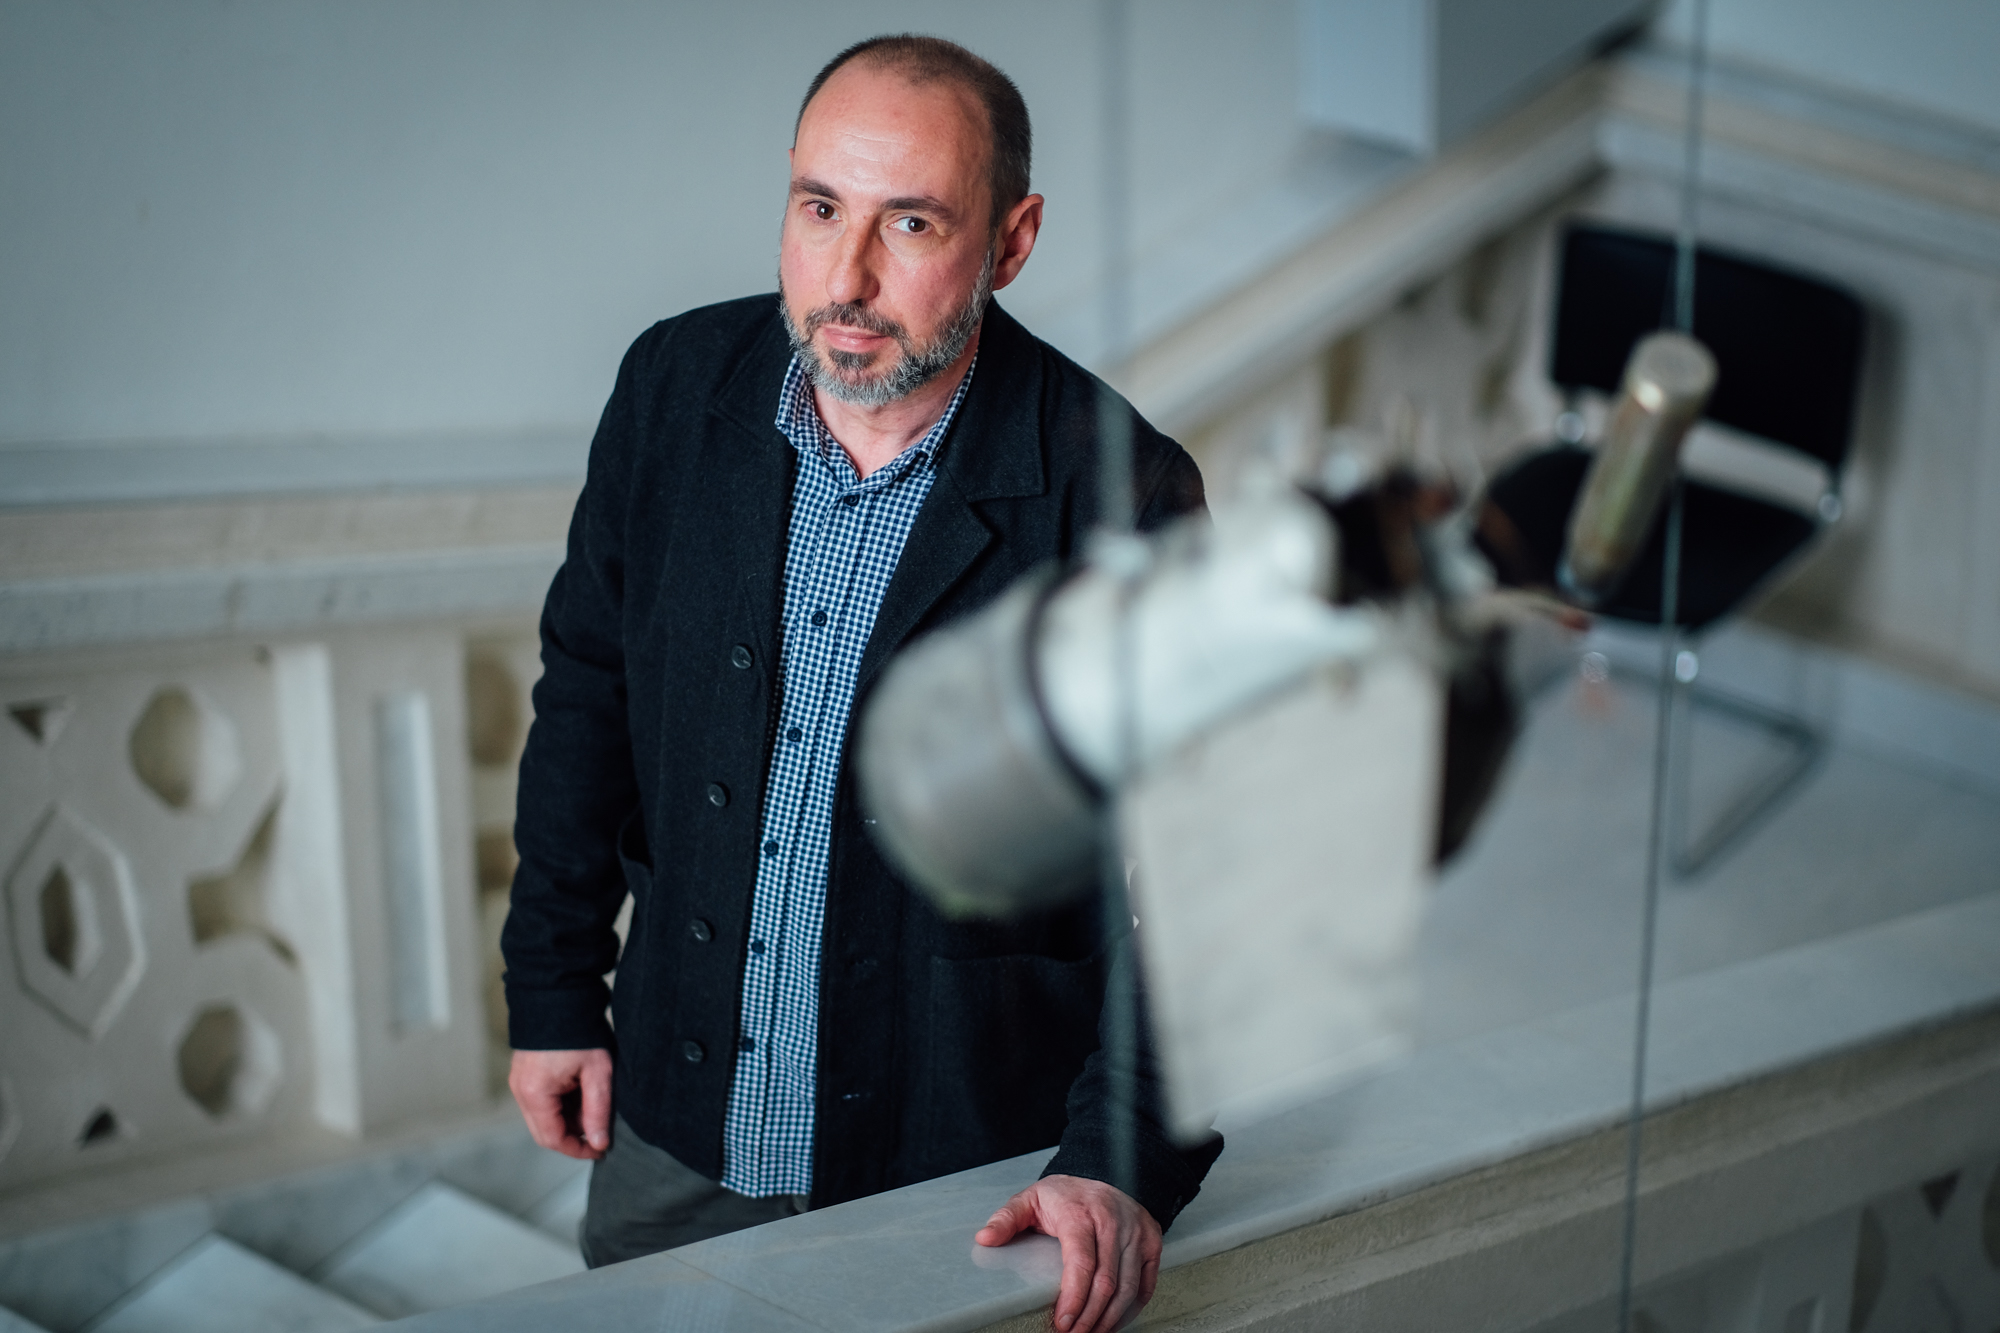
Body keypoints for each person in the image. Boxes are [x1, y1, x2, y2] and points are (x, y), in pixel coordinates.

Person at [500, 33, 1219, 1333]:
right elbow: (587, 691)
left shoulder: (1123, 492)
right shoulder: (670, 389)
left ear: (1011, 242)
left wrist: (1123, 1148)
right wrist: (553, 989)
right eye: (821, 209)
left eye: (913, 223)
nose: (848, 277)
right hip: (672, 1128)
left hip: (958, 1166)